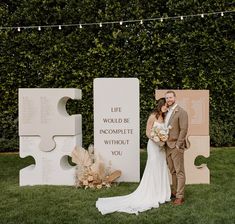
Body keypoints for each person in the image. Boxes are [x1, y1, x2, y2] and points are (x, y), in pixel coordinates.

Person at [96, 97, 171, 215]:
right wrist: (157, 139)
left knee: (161, 167)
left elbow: (165, 131)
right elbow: (147, 132)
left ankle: (161, 193)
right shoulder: (153, 116)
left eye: (168, 106)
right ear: (161, 105)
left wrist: (163, 139)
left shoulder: (165, 117)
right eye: (166, 105)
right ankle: (152, 193)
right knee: (153, 167)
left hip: (161, 147)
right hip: (153, 146)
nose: (167, 108)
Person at [164, 90, 189, 206]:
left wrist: (179, 144)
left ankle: (180, 196)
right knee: (172, 171)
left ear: (175, 98)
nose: (168, 99)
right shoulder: (167, 112)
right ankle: (174, 192)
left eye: (170, 97)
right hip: (167, 146)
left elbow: (184, 129)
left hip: (176, 146)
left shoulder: (181, 112)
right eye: (167, 98)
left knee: (179, 171)